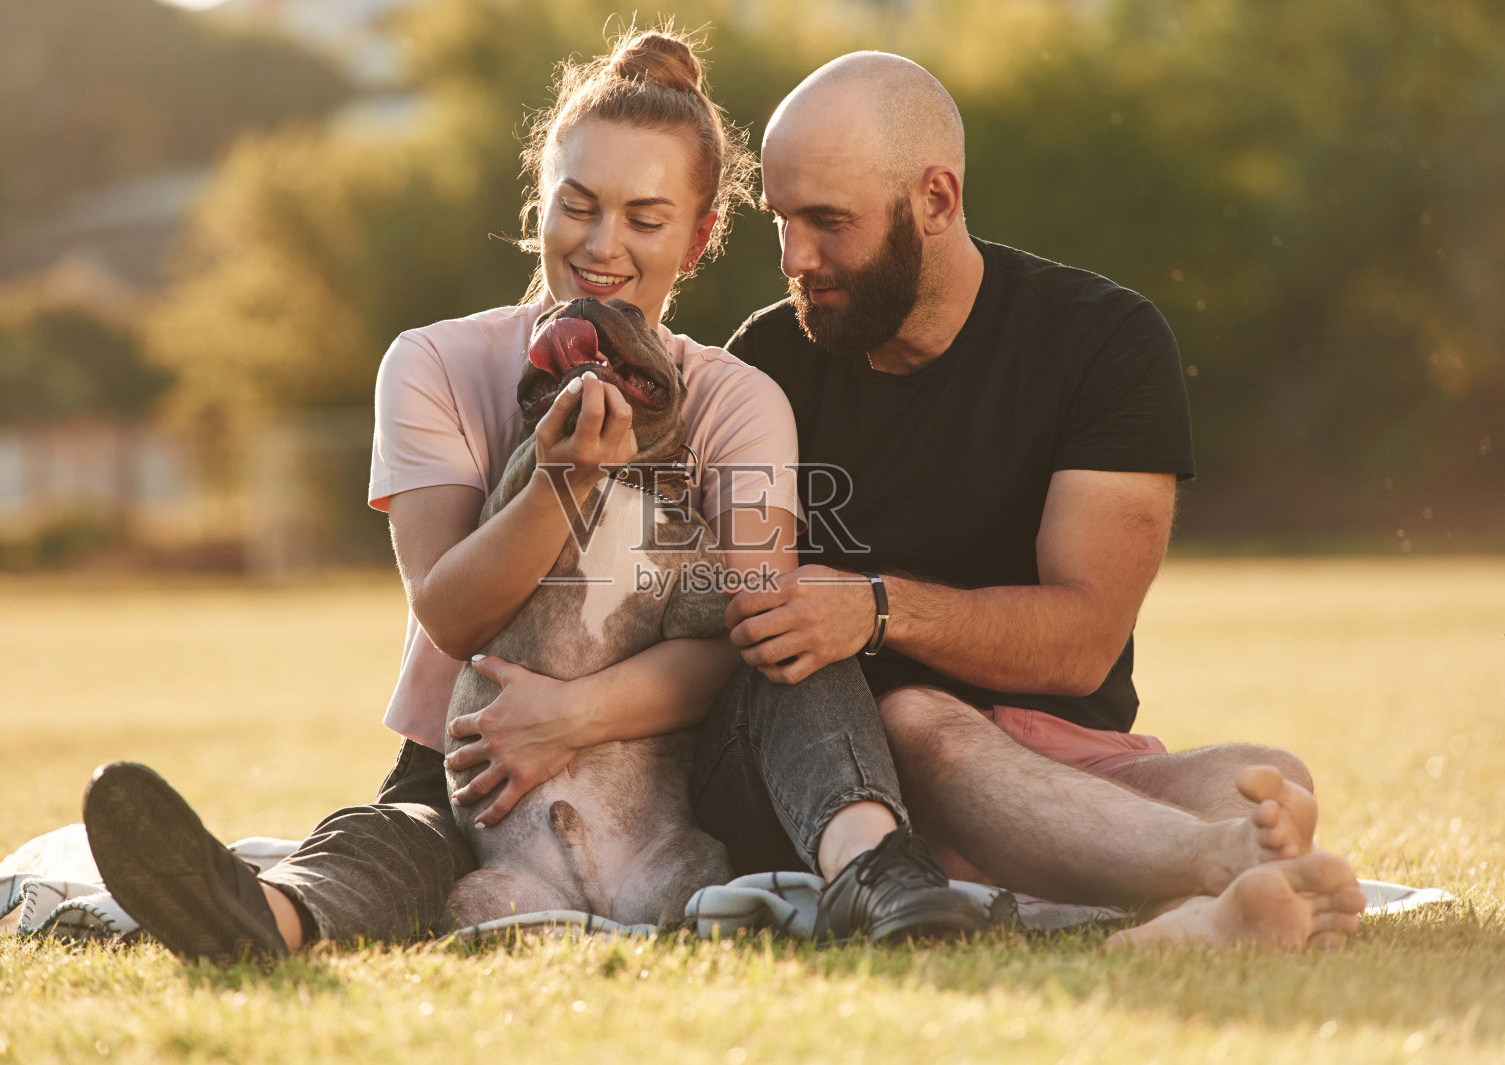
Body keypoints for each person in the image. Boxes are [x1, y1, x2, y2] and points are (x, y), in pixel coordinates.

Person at [81, 29, 994, 965]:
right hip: (470, 755)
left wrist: (573, 715)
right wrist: (562, 483)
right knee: (400, 835)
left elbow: (748, 635)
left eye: (646, 219)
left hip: (677, 764)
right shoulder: (432, 364)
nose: (604, 247)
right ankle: (265, 915)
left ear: (701, 235)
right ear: (540, 203)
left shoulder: (738, 400)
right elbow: (448, 611)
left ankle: (883, 873)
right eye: (579, 206)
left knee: (802, 641)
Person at [720, 51, 1366, 949]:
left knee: (1269, 775)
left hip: (1052, 762)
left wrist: (875, 609)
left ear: (936, 201)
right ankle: (1213, 870)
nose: (795, 257)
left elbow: (1083, 641)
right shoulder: (762, 368)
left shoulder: (1102, 341)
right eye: (781, 219)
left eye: (828, 221)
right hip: (874, 784)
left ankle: (1195, 913)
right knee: (918, 718)